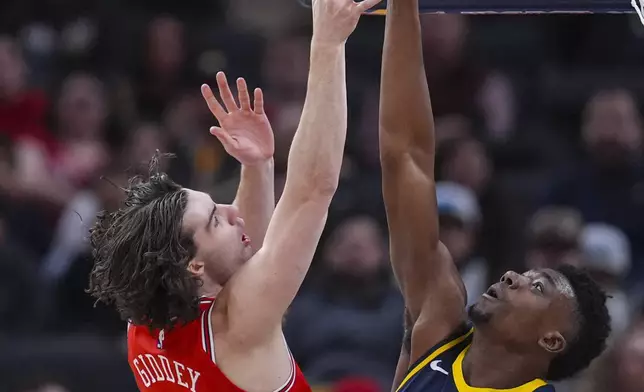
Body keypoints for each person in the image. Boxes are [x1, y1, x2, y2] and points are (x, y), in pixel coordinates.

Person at [87, 0, 380, 390]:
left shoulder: (142, 323)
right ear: (191, 266)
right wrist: (327, 44)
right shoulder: (238, 325)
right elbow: (312, 191)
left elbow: (244, 253)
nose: (231, 212)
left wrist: (256, 167)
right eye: (214, 220)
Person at [378, 1, 611, 391]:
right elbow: (405, 158)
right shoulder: (438, 324)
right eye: (528, 275)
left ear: (551, 340)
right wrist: (404, 7)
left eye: (539, 288)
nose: (512, 276)